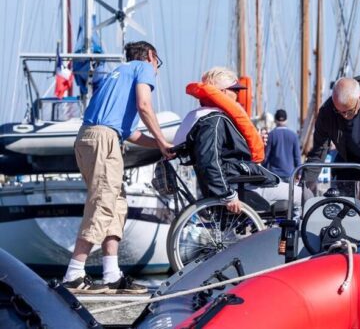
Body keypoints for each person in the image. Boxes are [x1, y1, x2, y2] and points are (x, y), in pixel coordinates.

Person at [62, 41, 172, 294]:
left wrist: (159, 145)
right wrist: (164, 141)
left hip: (90, 138)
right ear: (151, 56)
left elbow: (131, 133)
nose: (156, 70)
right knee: (103, 202)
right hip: (104, 140)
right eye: (158, 64)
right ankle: (74, 272)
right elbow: (145, 105)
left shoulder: (118, 74)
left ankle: (112, 275)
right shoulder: (142, 68)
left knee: (115, 204)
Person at [173, 67, 302, 214]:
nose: (238, 94)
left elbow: (226, 154)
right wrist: (228, 195)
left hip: (241, 183)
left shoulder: (209, 118)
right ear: (221, 92)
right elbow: (209, 160)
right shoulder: (213, 121)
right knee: (306, 196)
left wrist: (252, 142)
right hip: (241, 188)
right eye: (234, 90)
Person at [264, 109, 302, 182]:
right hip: (289, 173)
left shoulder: (271, 135)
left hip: (274, 174)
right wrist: (299, 173)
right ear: (286, 120)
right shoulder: (293, 136)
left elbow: (266, 156)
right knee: (288, 193)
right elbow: (297, 157)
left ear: (275, 119)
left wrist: (263, 170)